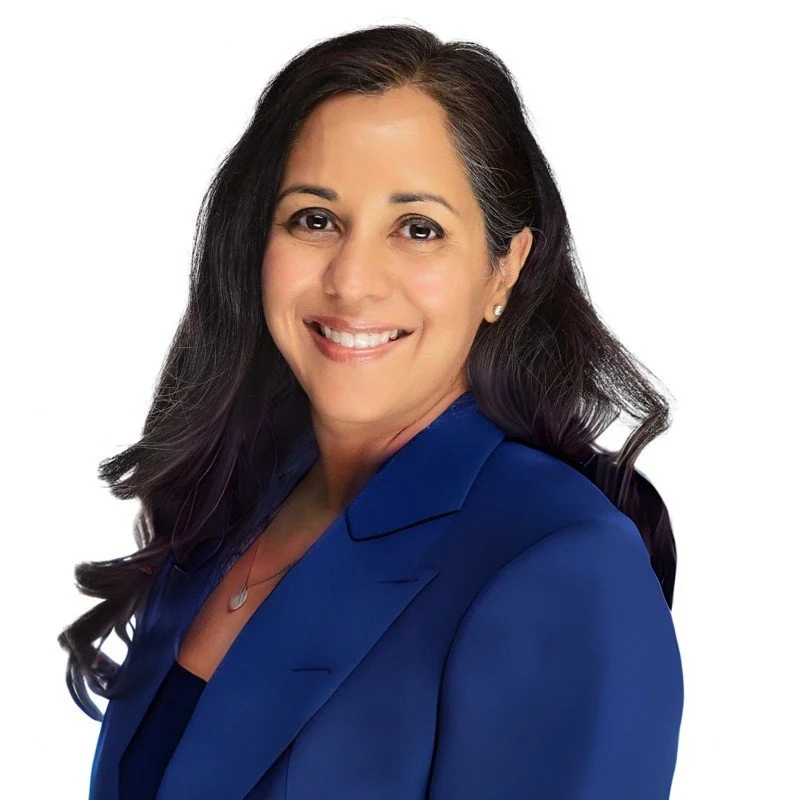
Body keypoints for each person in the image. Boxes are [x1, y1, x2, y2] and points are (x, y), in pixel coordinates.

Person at [60, 23, 684, 800]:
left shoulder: (562, 565)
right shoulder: (226, 507)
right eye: (315, 219)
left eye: (417, 229)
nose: (352, 281)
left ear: (505, 269)